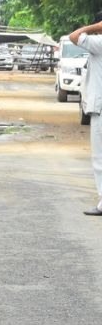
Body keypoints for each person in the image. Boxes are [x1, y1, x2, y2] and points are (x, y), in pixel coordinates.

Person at [69, 12, 102, 215]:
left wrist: (94, 27)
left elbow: (74, 36)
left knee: (100, 157)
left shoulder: (99, 43)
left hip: (100, 108)